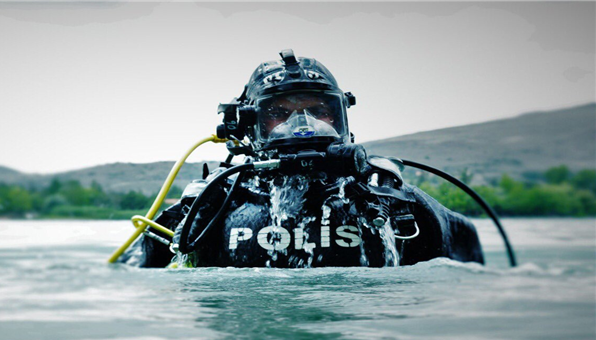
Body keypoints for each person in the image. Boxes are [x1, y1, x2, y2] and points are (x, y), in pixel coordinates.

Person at [119, 49, 484, 268]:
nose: (303, 127)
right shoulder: (211, 205)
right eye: (279, 114)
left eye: (320, 111)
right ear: (249, 125)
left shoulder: (392, 202)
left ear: (341, 117)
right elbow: (132, 279)